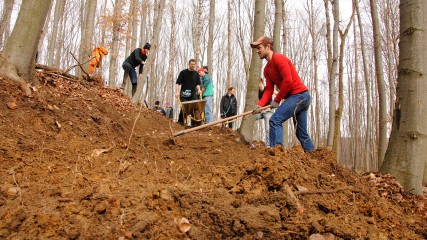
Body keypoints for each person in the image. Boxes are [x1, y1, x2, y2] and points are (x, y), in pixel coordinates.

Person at [251, 36, 315, 152]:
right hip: (296, 98)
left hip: (300, 95)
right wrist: (259, 105)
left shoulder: (278, 58)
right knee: (301, 133)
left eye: (259, 47)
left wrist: (277, 99)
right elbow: (269, 89)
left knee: (275, 120)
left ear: (268, 47)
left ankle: (277, 153)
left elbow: (288, 81)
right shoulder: (266, 70)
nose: (257, 51)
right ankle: (314, 155)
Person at [175, 59, 201, 125]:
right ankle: (181, 122)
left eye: (194, 64)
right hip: (184, 95)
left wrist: (199, 89)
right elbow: (177, 83)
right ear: (189, 64)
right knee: (184, 109)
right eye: (191, 64)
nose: (193, 66)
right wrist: (177, 92)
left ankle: (195, 124)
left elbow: (198, 84)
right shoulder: (183, 73)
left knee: (195, 108)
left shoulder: (196, 74)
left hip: (193, 94)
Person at [256, 78, 274, 146]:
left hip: (269, 111)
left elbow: (277, 93)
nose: (259, 85)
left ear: (262, 83)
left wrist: (272, 106)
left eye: (260, 83)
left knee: (267, 129)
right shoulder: (257, 92)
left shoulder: (268, 89)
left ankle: (268, 145)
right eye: (257, 84)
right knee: (252, 118)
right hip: (262, 111)